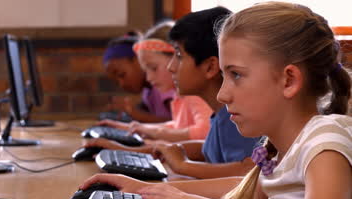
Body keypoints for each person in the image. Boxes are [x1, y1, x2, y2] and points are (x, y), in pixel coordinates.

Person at [81, 3, 352, 199]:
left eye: (236, 75)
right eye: (224, 76)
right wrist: (156, 191)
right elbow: (248, 188)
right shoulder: (282, 146)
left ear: (289, 80)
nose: (222, 94)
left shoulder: (325, 143)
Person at [89, 7, 259, 180]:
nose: (171, 67)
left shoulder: (236, 116)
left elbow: (247, 173)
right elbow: (208, 149)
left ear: (210, 67)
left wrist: (182, 167)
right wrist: (153, 151)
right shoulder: (220, 113)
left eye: (178, 55)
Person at [103, 32, 173, 123]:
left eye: (122, 75)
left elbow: (178, 124)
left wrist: (134, 113)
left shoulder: (165, 85)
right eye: (116, 82)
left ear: (138, 60)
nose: (122, 84)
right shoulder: (147, 91)